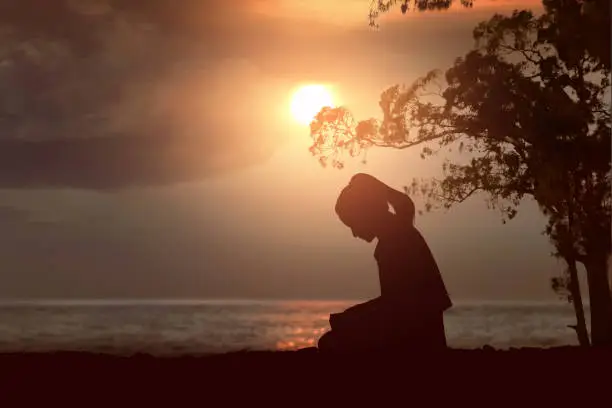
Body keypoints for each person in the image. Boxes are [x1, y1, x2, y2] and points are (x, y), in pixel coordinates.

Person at [318, 173, 452, 352]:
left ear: (365, 216)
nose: (354, 234)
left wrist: (354, 317)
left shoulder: (393, 243)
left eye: (353, 225)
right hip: (416, 322)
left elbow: (399, 308)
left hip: (415, 329)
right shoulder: (400, 230)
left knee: (330, 343)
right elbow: (395, 301)